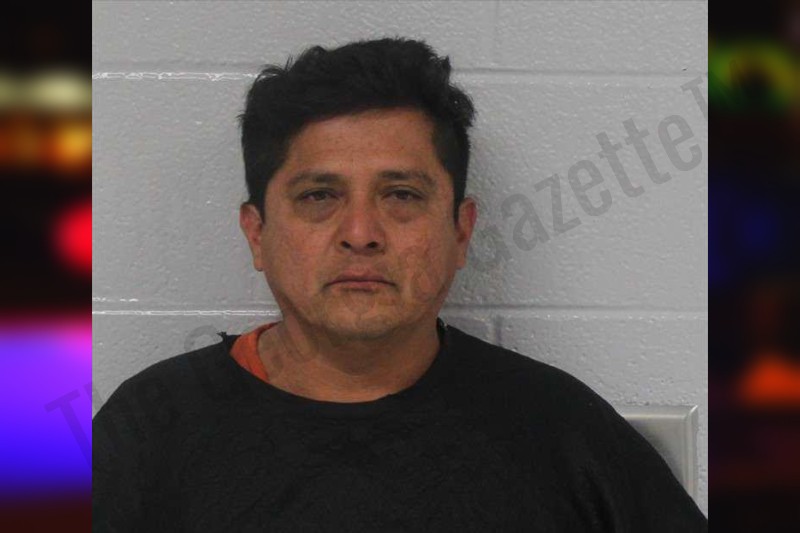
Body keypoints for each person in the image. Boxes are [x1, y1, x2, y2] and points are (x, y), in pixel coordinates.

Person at [92, 37, 708, 532]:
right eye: (319, 196)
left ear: (461, 231)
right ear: (257, 233)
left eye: (403, 195)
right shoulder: (149, 432)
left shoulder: (560, 430)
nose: (361, 233)